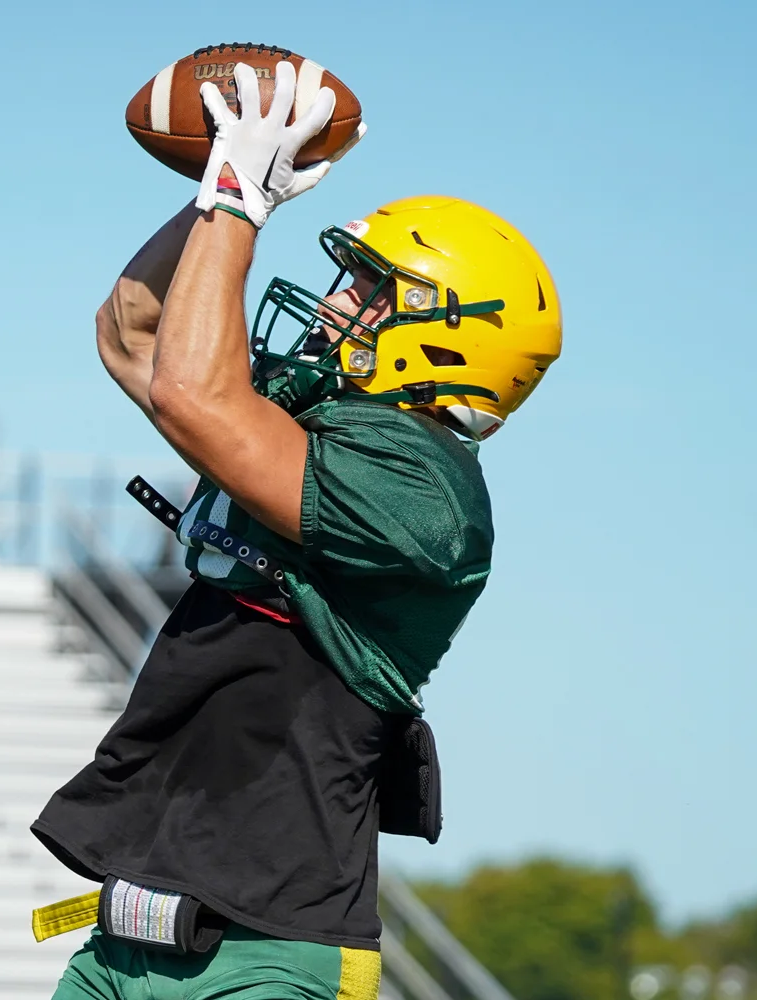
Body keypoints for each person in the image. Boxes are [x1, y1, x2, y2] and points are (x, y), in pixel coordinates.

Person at [31, 60, 562, 1000]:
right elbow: (135, 334)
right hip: (123, 941)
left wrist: (241, 201)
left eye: (369, 289)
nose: (335, 302)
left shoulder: (426, 494)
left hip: (273, 957)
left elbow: (195, 395)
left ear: (451, 336)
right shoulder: (315, 417)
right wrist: (215, 196)